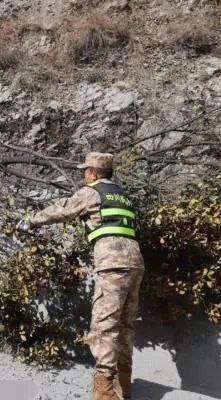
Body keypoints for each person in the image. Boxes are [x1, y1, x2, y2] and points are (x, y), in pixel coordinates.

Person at [17, 152, 144, 400]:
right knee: (125, 325)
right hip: (136, 262)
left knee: (104, 327)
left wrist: (30, 222)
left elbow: (62, 209)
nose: (83, 174)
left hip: (112, 263)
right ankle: (124, 385)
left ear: (94, 173)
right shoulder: (122, 194)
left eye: (85, 170)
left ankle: (105, 392)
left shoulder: (92, 191)